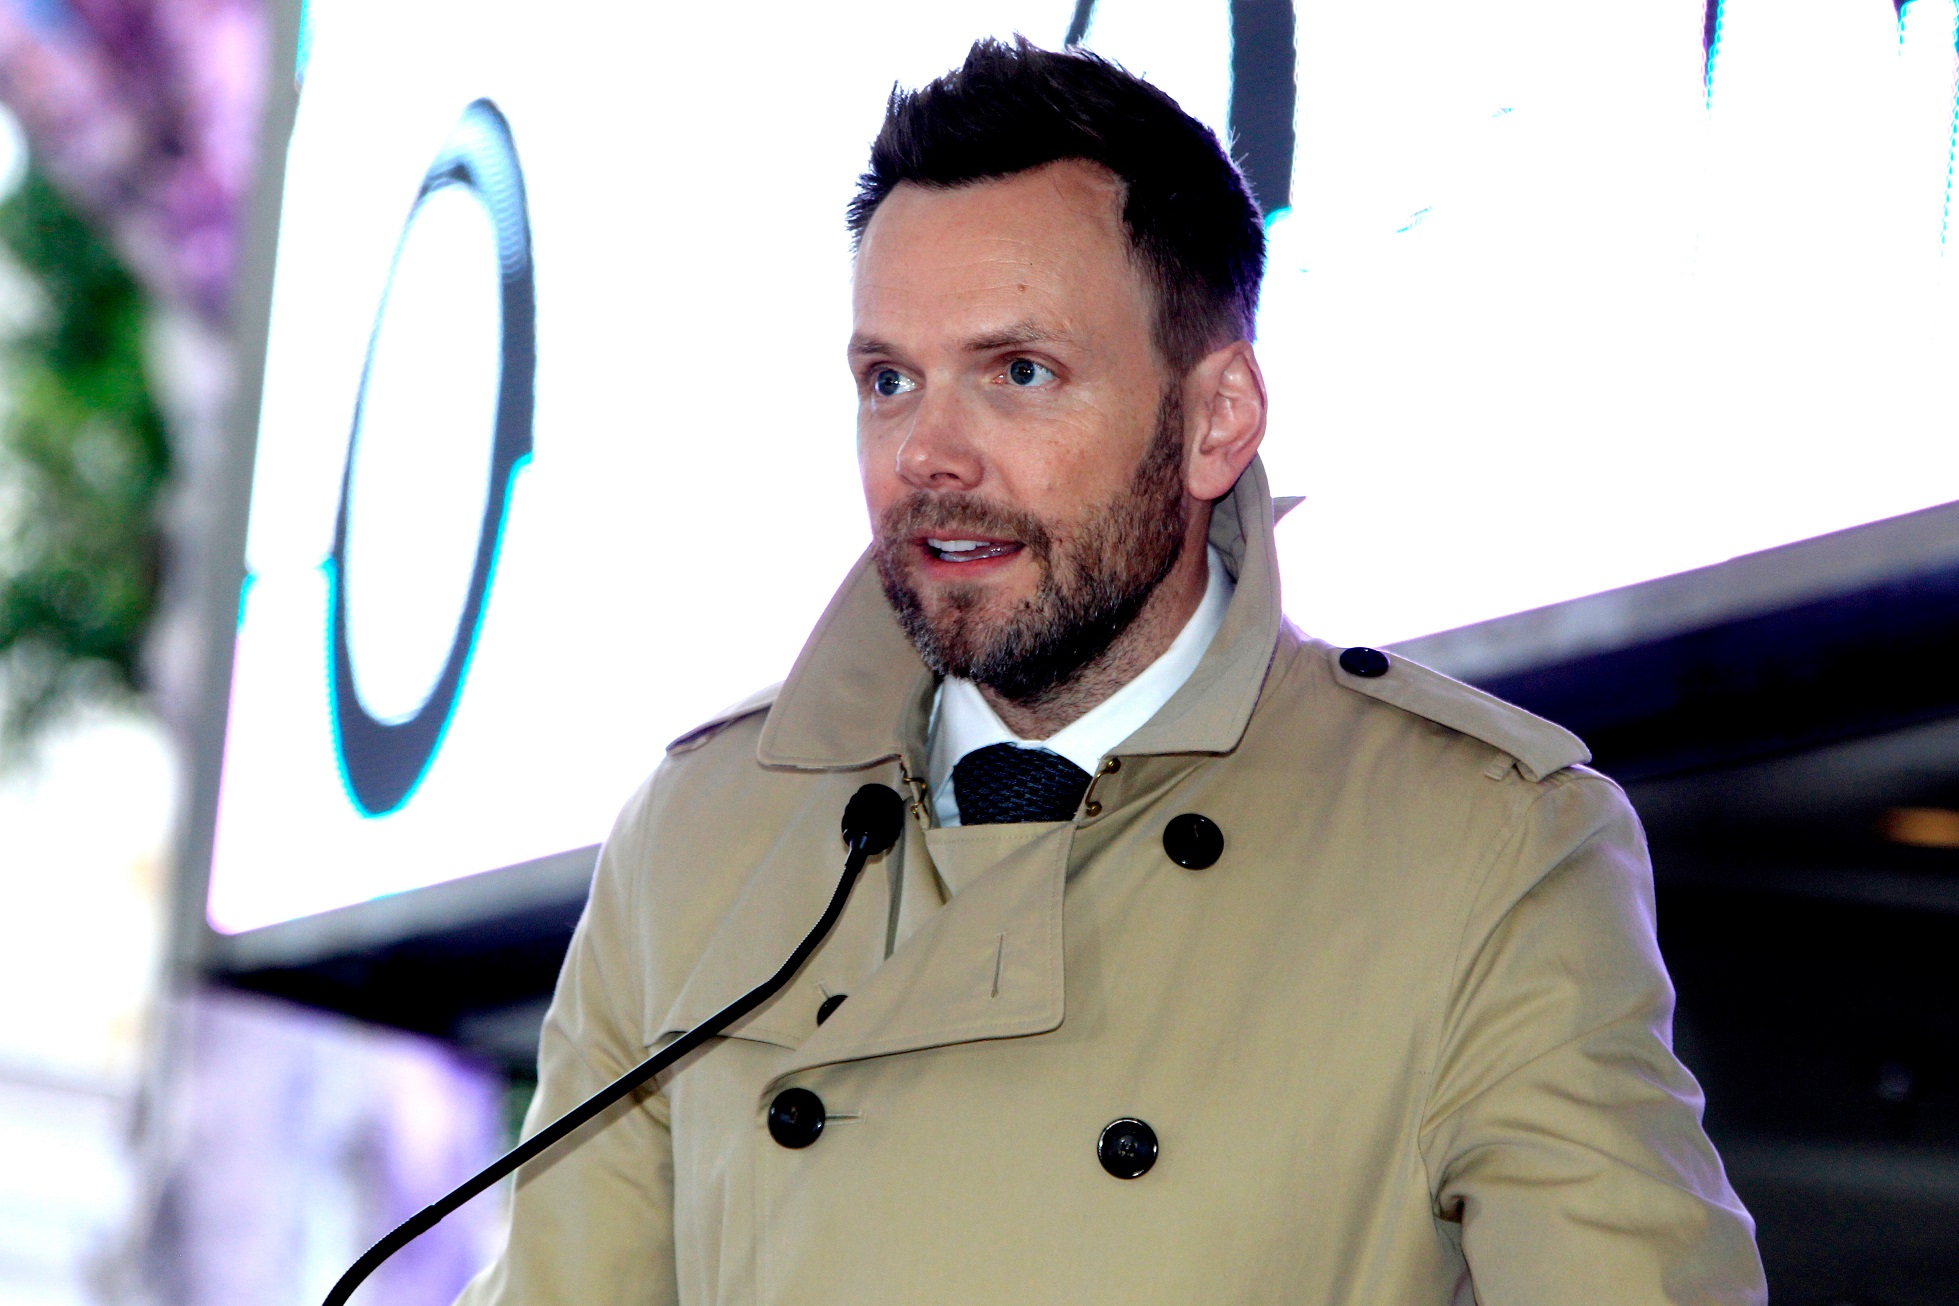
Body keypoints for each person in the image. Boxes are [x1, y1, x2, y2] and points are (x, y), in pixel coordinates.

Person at [458, 38, 1766, 1305]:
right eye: (890, 379)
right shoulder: (700, 838)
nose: (928, 453)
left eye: (1018, 372)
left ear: (1216, 420)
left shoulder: (1476, 841)